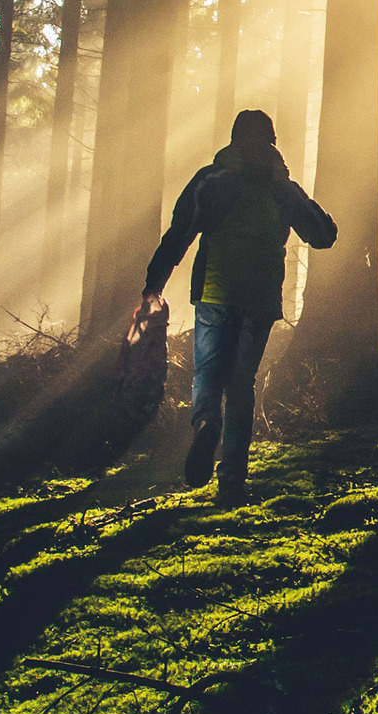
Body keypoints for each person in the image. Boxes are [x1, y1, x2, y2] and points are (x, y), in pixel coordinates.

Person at [142, 110, 337, 506]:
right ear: (272, 142)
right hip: (261, 297)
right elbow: (322, 236)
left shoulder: (212, 179)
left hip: (216, 290)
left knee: (209, 374)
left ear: (233, 139)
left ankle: (206, 423)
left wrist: (153, 285)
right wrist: (321, 216)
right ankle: (231, 482)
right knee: (241, 384)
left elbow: (180, 233)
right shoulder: (283, 187)